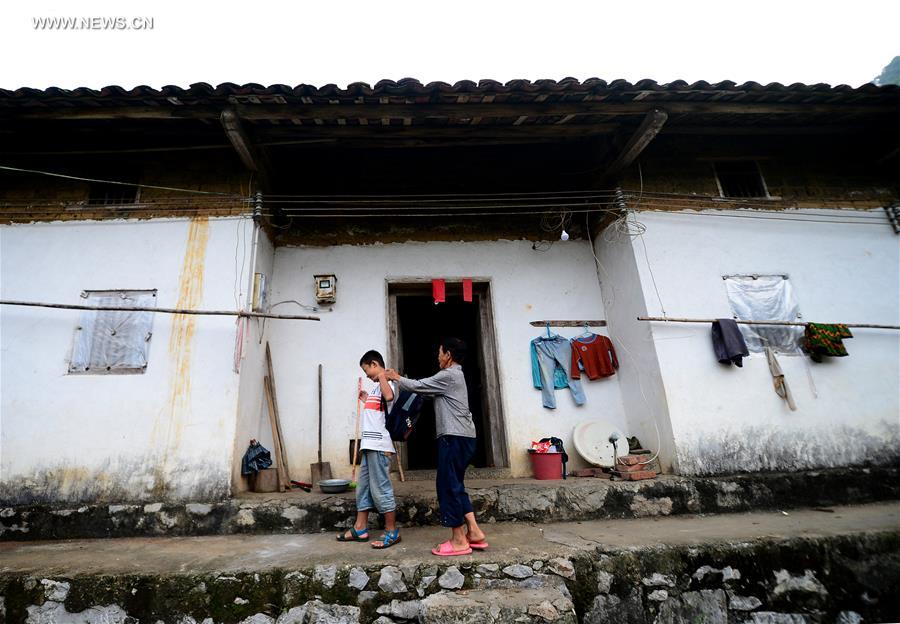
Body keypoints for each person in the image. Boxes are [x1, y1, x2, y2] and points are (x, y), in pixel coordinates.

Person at [385, 337, 488, 556]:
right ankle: (475, 532)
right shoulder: (453, 377)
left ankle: (459, 541)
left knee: (447, 486)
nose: (437, 356)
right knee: (455, 484)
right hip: (464, 437)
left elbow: (421, 385)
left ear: (448, 355)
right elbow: (426, 391)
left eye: (440, 352)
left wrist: (396, 377)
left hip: (454, 437)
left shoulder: (448, 375)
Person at [336, 350, 401, 549]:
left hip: (380, 446)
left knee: (380, 488)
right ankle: (360, 527)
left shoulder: (386, 382)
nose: (367, 375)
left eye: (367, 371)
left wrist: (382, 375)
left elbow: (389, 397)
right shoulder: (374, 388)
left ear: (375, 364)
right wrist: (366, 399)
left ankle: (391, 531)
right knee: (363, 488)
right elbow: (378, 411)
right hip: (368, 446)